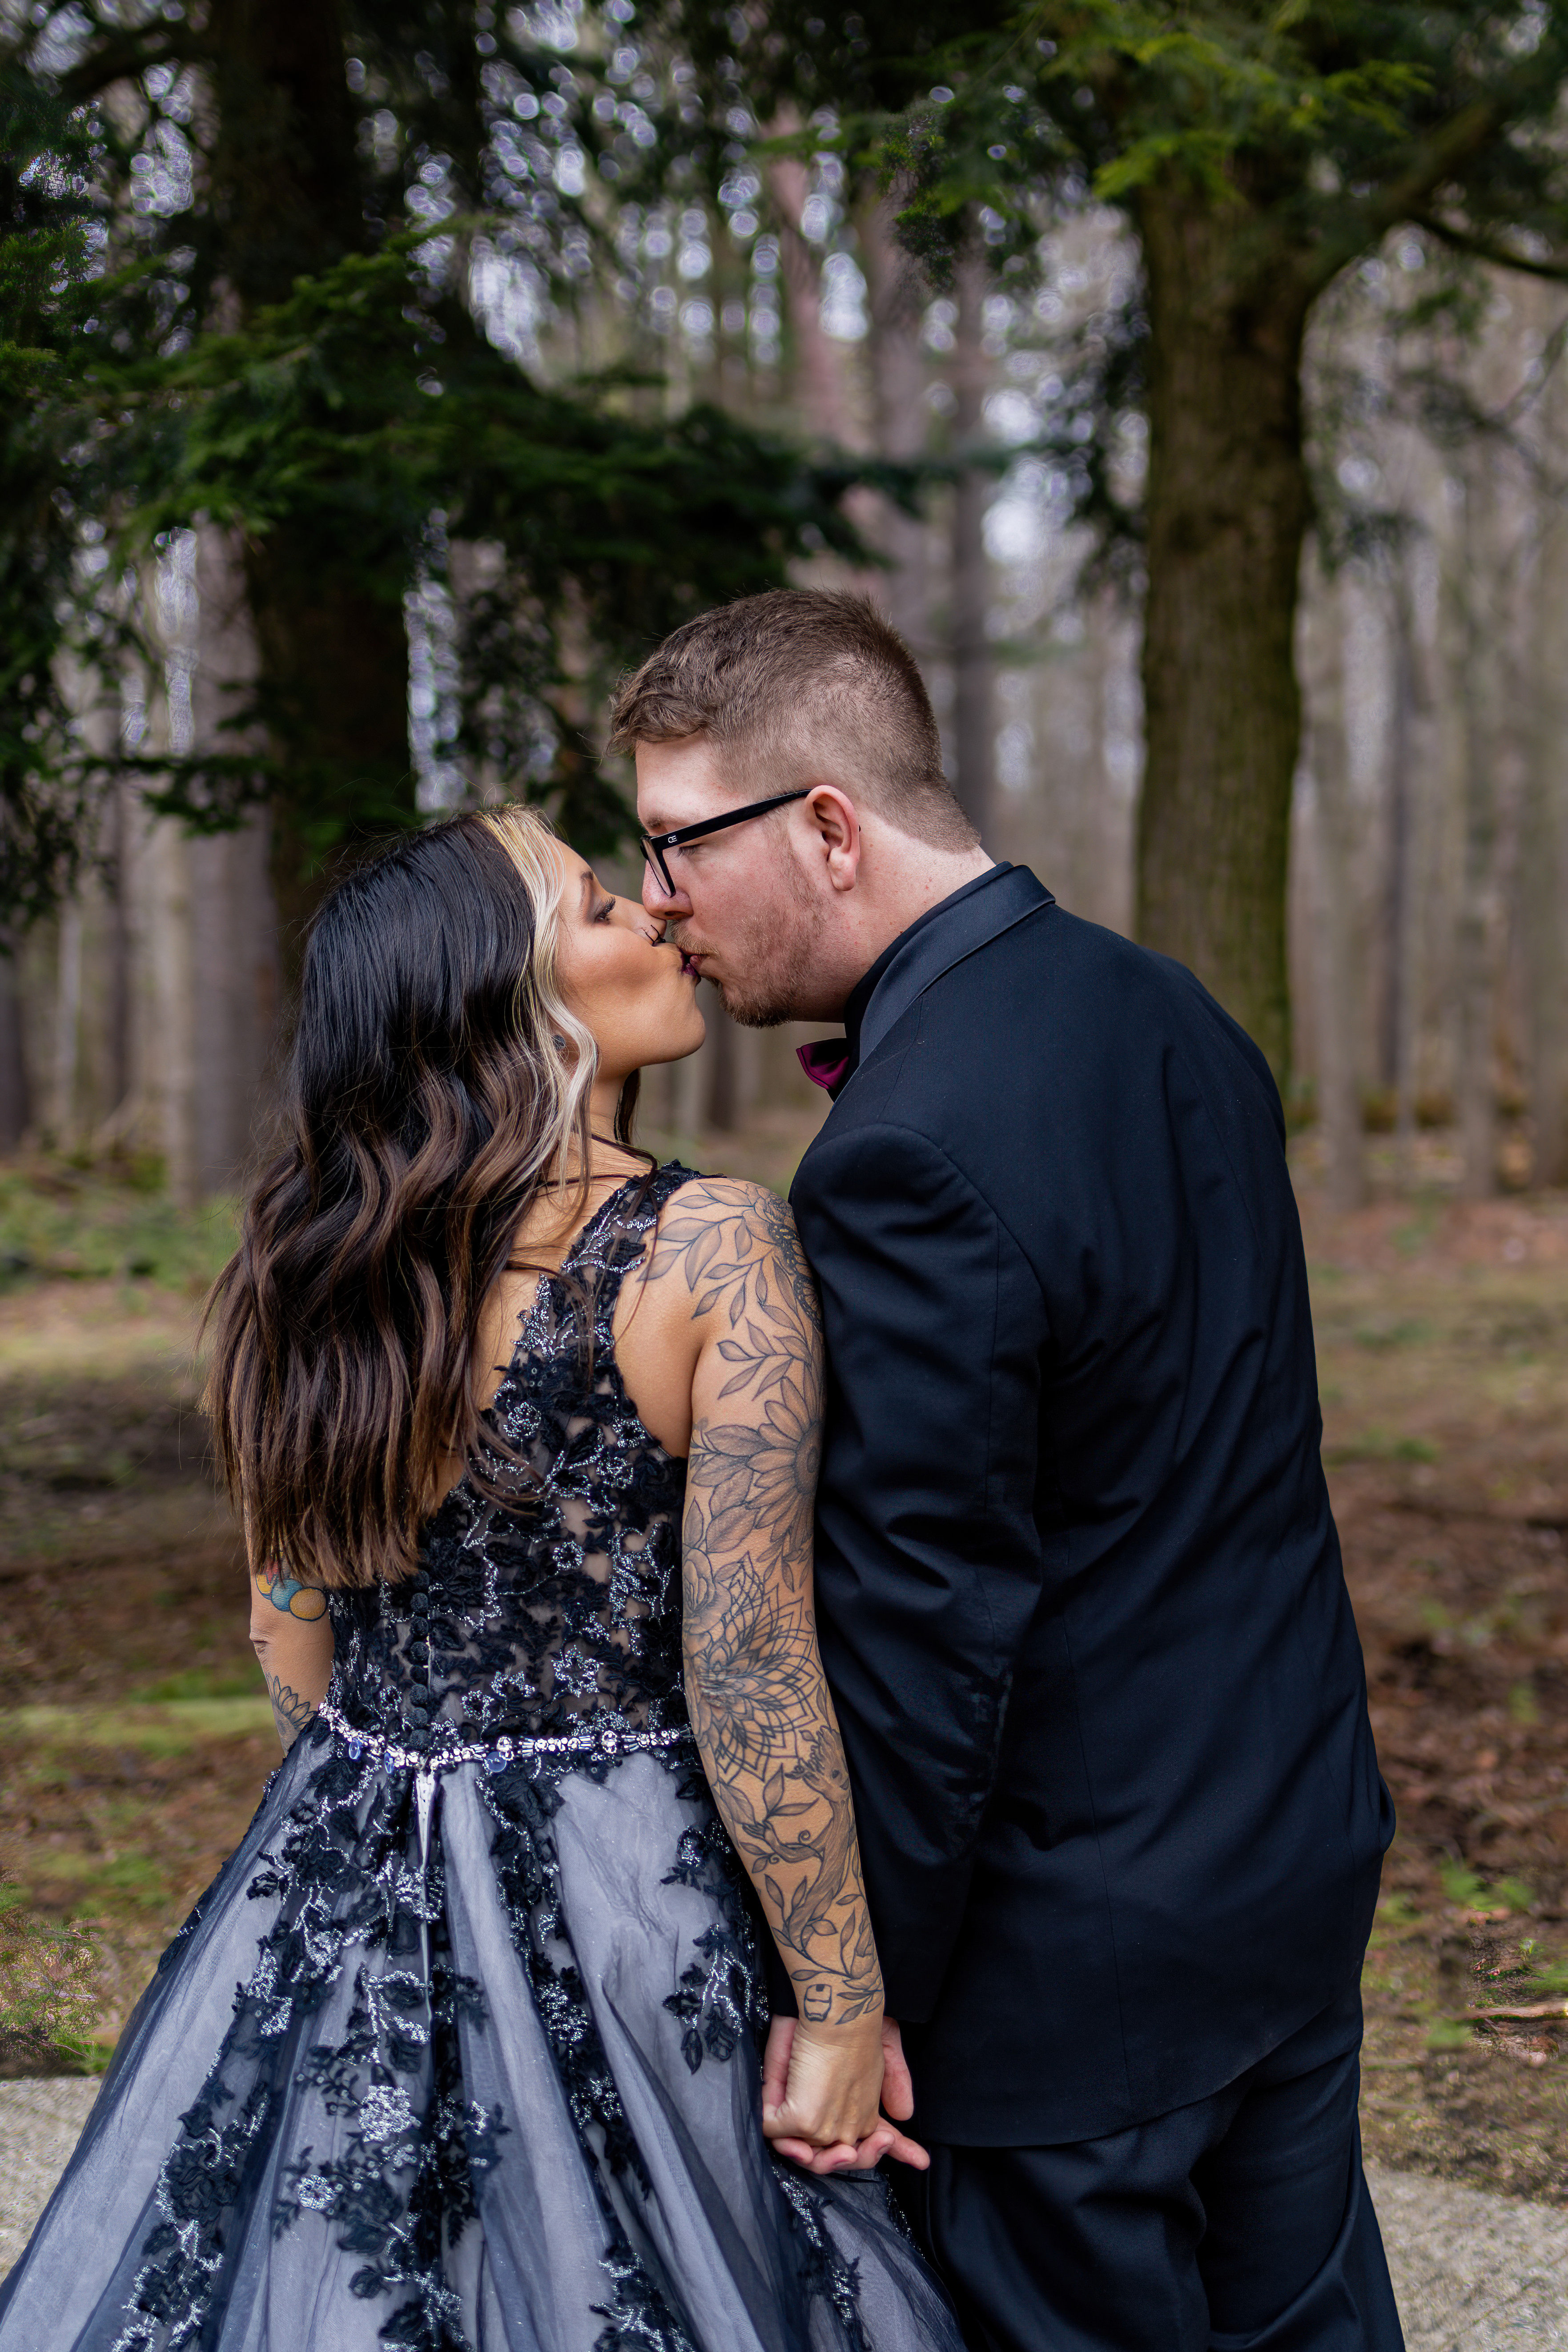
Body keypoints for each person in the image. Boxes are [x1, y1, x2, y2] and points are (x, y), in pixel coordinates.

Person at [0, 806, 963, 2352]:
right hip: (629, 1885)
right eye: (595, 909)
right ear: (507, 1002)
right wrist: (844, 2005)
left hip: (340, 1858)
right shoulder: (712, 1249)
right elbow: (750, 1664)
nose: (654, 920)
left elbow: (290, 1633)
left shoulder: (312, 1267)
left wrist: (387, 1811)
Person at [615, 587, 1404, 2352]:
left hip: (1079, 1974)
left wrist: (851, 1988)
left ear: (826, 827)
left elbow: (922, 1625)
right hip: (1286, 1864)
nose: (657, 900)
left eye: (676, 846)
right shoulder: (1174, 1012)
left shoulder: (903, 1152)